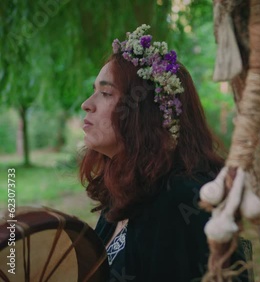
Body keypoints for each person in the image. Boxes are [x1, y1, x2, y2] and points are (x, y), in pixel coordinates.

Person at [79, 25, 248, 281]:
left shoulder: (180, 202)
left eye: (105, 93)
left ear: (144, 112)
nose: (86, 105)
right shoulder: (125, 191)